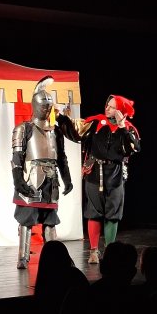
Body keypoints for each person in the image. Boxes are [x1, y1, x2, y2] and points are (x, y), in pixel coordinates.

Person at [56, 93, 141, 263]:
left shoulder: (129, 129)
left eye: (112, 107)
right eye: (107, 105)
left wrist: (122, 127)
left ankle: (110, 251)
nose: (107, 108)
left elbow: (133, 148)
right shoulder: (96, 122)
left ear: (120, 110)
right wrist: (61, 117)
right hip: (94, 172)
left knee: (112, 214)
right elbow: (76, 130)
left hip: (115, 175)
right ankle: (94, 251)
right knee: (93, 212)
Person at [11, 76, 73, 269]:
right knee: (27, 219)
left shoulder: (56, 131)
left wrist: (67, 178)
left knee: (50, 221)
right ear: (35, 105)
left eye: (49, 106)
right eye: (43, 106)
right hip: (31, 178)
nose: (46, 109)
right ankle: (23, 257)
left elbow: (61, 157)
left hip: (51, 180)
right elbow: (17, 157)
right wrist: (18, 180)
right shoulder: (24, 129)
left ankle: (54, 258)